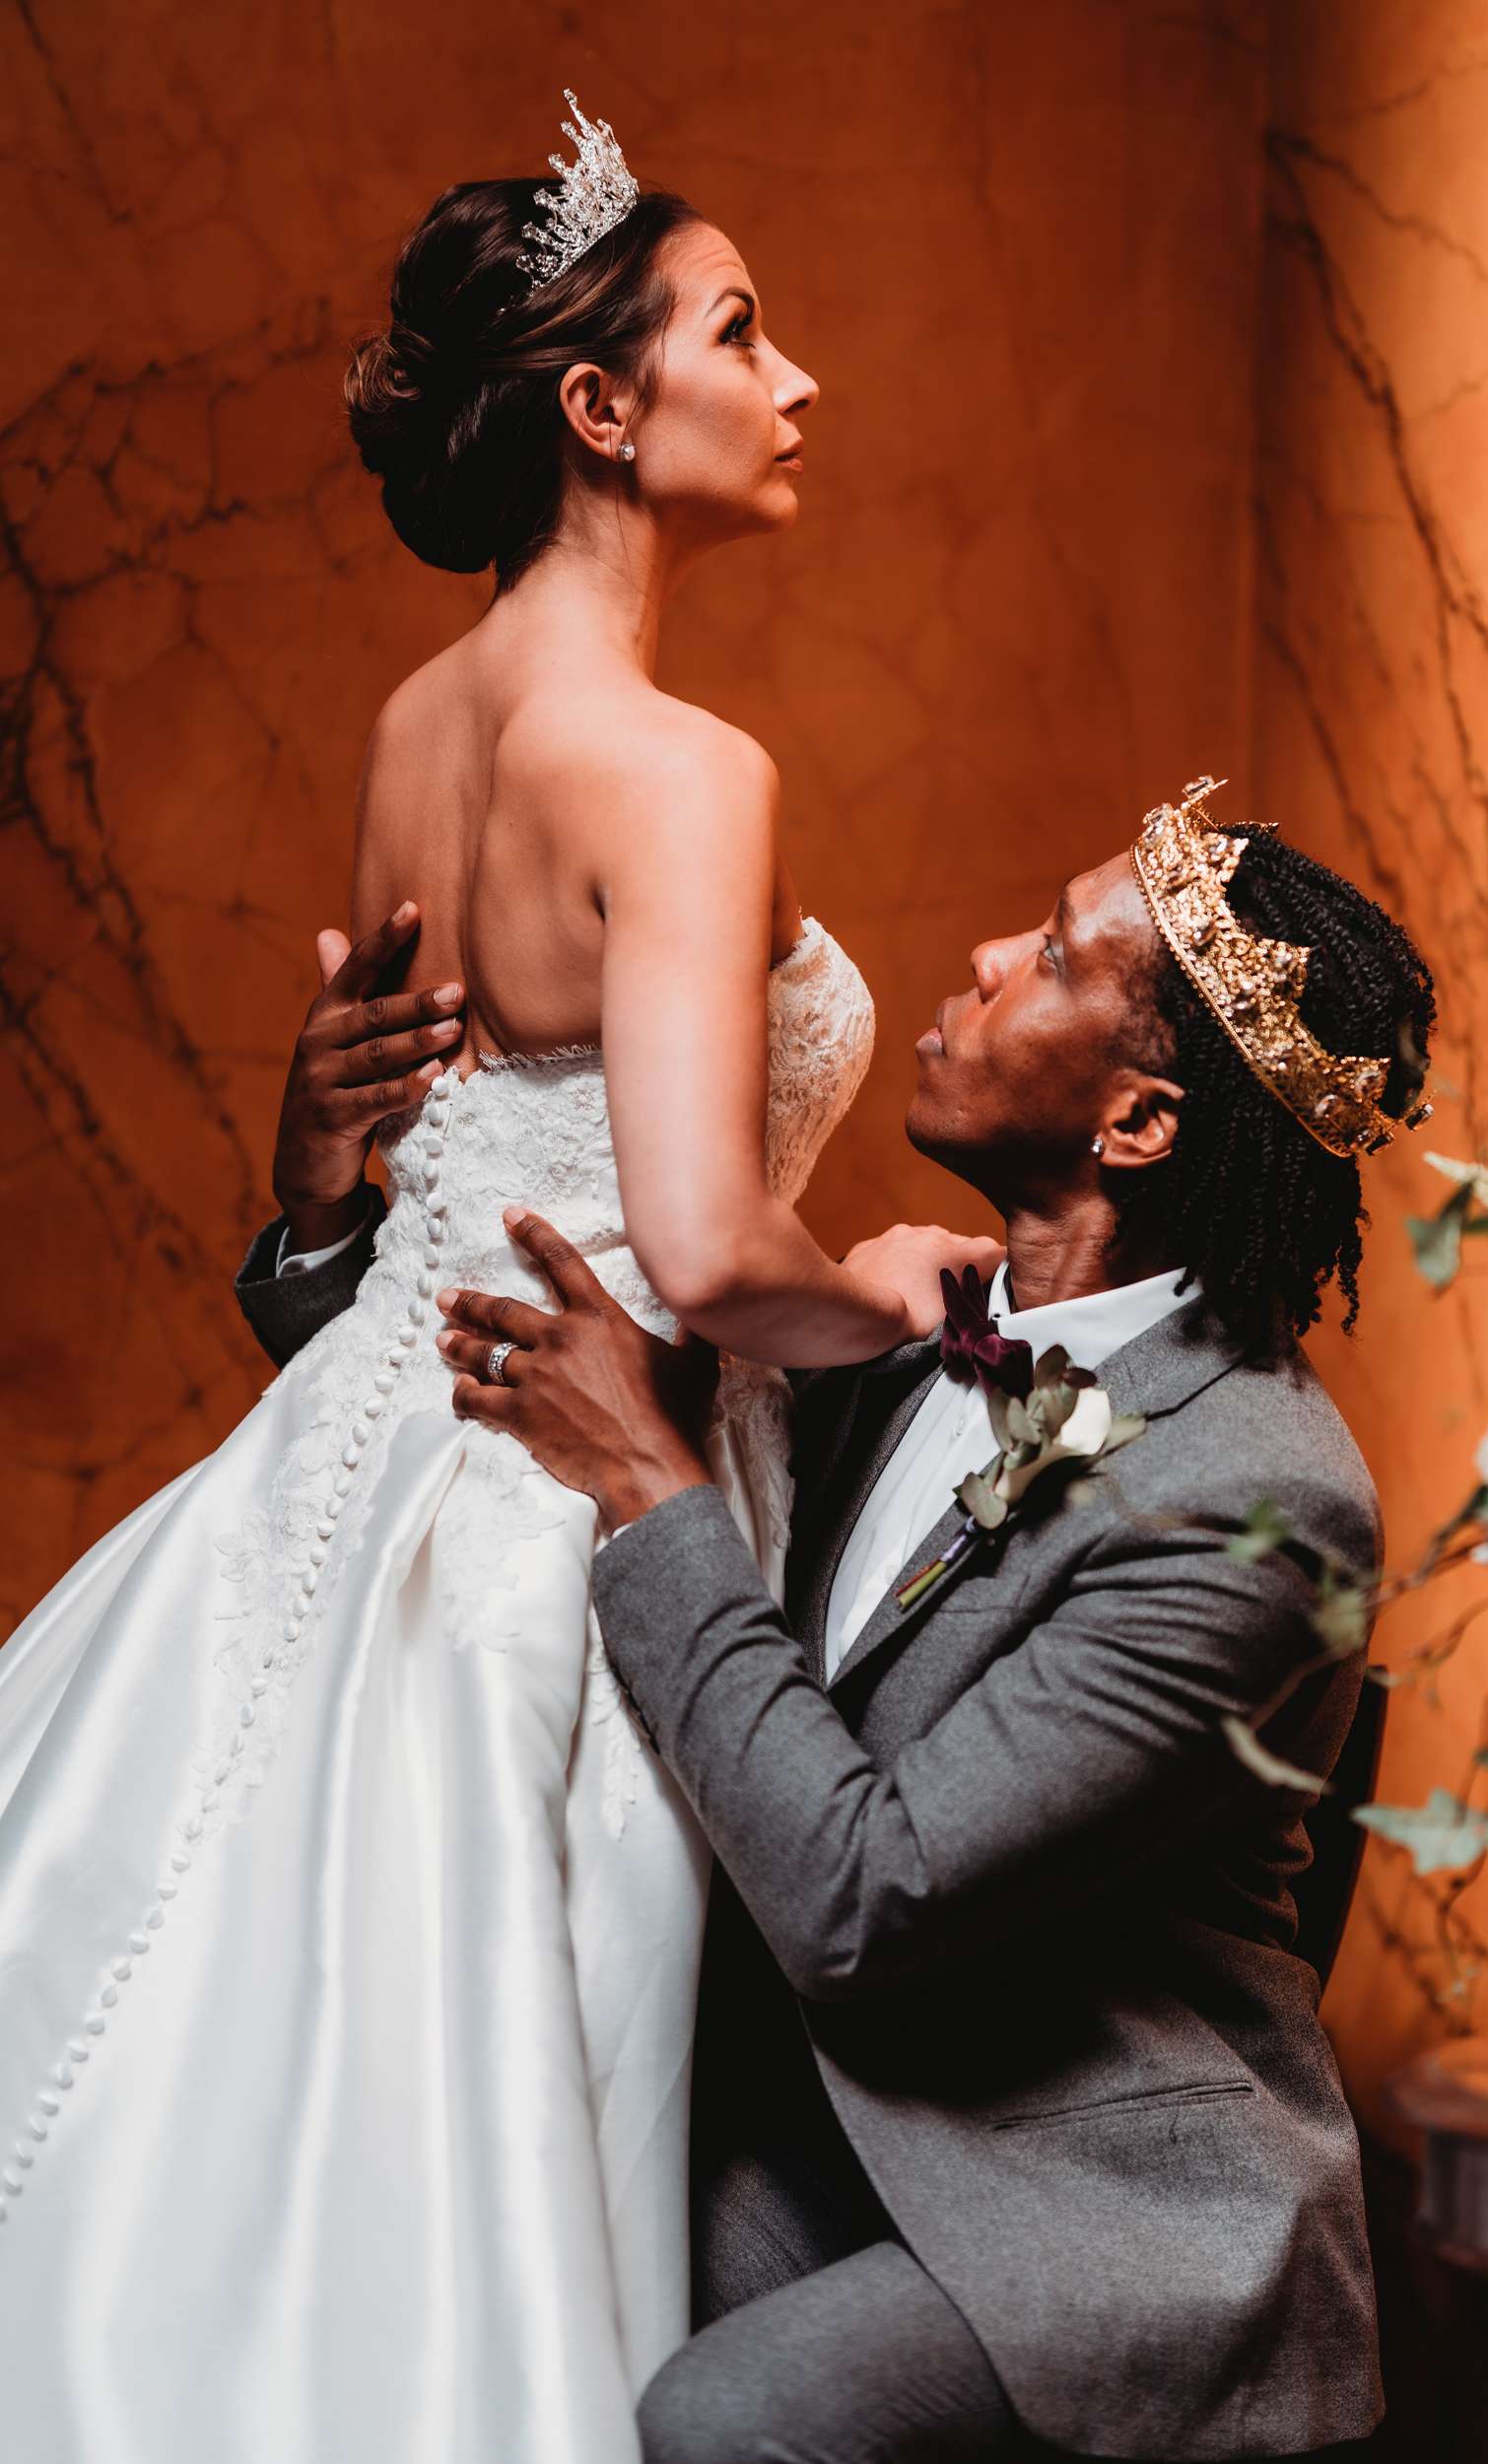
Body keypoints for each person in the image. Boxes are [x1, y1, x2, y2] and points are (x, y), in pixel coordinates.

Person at [0, 97, 990, 2462]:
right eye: (743, 330)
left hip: (325, 1483)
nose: (799, 380)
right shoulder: (675, 764)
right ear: (605, 406)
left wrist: (310, 1174)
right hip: (556, 1529)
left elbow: (413, 1173)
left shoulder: (416, 722)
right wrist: (911, 1300)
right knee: (502, 2135)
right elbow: (706, 1246)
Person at [245, 783, 1438, 2461]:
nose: (986, 954)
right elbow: (481, 1460)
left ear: (1139, 1123)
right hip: (813, 2107)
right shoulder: (892, 1325)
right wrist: (321, 1195)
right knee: (426, 2252)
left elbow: (864, 1898)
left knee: (729, 2419)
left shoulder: (1255, 1506)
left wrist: (655, 1487)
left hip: (1093, 2188)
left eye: (1050, 954)